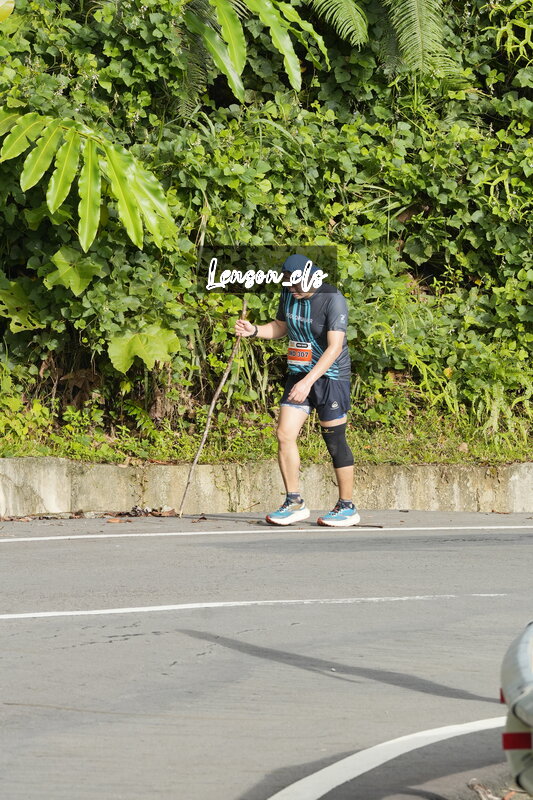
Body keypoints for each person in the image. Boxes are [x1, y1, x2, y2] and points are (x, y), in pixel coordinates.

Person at [234, 253, 360, 527]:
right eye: (288, 284)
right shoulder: (289, 292)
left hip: (330, 377)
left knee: (334, 441)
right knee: (284, 434)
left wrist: (308, 382)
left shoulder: (332, 298)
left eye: (296, 284)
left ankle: (347, 506)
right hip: (299, 372)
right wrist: (254, 330)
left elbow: (334, 348)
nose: (291, 289)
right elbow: (280, 327)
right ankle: (294, 502)